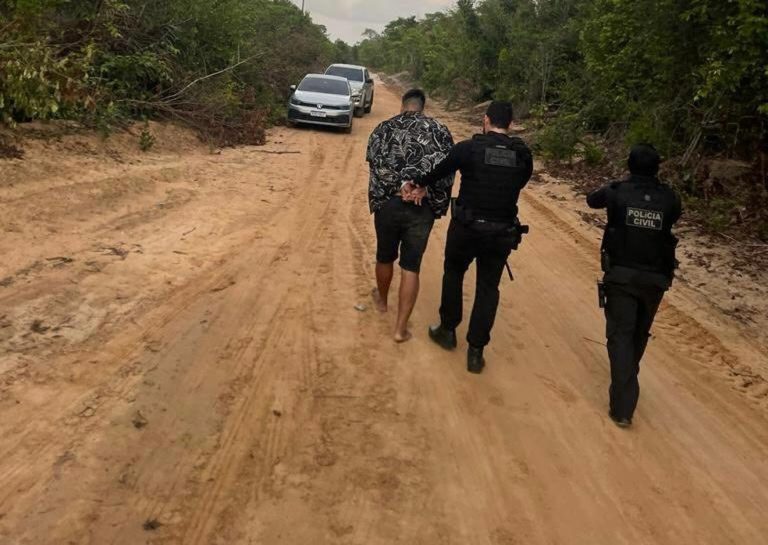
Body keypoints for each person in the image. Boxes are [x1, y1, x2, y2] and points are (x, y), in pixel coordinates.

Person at [404, 101, 533, 373]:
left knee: (453, 272)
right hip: (501, 232)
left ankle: (448, 331)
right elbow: (520, 182)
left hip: (466, 228)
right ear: (510, 124)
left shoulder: (469, 148)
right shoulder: (522, 154)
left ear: (485, 120)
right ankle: (476, 352)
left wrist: (417, 184)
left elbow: (438, 171)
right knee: (488, 288)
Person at [587, 144, 682, 428]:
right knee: (638, 333)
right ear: (658, 168)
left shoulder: (617, 192)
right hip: (655, 279)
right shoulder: (670, 198)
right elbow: (674, 216)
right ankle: (627, 380)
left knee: (620, 336)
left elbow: (592, 200)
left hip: (622, 275)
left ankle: (623, 406)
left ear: (629, 165)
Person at [366, 89, 455, 342]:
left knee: (384, 256)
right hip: (421, 207)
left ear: (403, 105)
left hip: (389, 204)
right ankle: (400, 329)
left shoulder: (383, 128)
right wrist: (424, 189)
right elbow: (448, 171)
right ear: (422, 107)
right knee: (411, 266)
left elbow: (375, 165)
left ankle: (382, 302)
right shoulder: (440, 131)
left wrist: (399, 187)